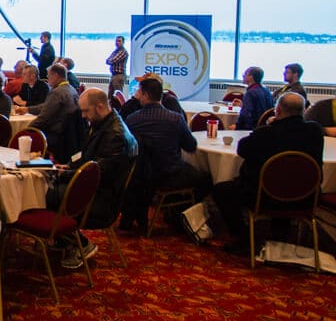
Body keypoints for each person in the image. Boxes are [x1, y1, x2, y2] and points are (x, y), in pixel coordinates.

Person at [212, 93, 323, 256]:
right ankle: (281, 233)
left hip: (263, 196)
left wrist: (270, 126)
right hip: (305, 196)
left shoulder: (266, 133)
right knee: (288, 178)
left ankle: (244, 237)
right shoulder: (315, 131)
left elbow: (242, 149)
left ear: (277, 110)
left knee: (221, 190)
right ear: (304, 110)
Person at [49, 89, 138, 268]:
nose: (83, 116)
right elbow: (88, 160)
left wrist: (64, 174)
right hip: (95, 189)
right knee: (45, 186)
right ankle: (65, 239)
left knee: (44, 195)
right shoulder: (105, 123)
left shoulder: (114, 135)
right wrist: (68, 167)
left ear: (99, 107)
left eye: (85, 111)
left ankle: (80, 243)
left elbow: (95, 174)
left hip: (101, 200)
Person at [121, 77, 210, 232]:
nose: (137, 96)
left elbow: (126, 149)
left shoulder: (132, 119)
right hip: (170, 173)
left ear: (146, 95)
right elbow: (191, 146)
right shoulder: (175, 119)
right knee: (207, 179)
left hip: (141, 175)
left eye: (139, 93)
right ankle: (183, 213)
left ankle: (175, 210)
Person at [16, 63, 80, 162]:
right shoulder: (71, 89)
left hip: (57, 134)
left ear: (56, 76)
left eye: (48, 75)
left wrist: (26, 129)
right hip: (71, 134)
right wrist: (28, 109)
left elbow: (44, 118)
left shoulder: (57, 92)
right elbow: (46, 106)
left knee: (23, 138)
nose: (47, 78)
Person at [119, 72, 184, 120]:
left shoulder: (170, 102)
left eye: (141, 87)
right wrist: (134, 99)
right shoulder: (136, 101)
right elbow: (122, 117)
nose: (138, 89)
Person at [234, 66, 274, 131]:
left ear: (251, 77)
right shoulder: (267, 91)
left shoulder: (250, 93)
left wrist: (236, 127)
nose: (243, 76)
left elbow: (246, 115)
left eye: (245, 74)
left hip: (252, 129)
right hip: (266, 128)